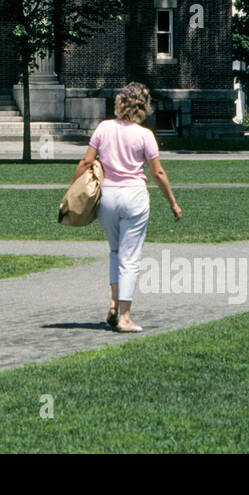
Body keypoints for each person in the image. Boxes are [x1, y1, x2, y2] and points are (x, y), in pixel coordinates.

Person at [70, 82, 182, 332]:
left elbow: (86, 161)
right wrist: (172, 202)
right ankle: (125, 317)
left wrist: (71, 192)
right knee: (130, 259)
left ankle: (113, 303)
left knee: (115, 252)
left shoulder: (104, 128)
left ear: (120, 103)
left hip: (107, 197)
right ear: (144, 107)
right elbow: (158, 173)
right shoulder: (145, 136)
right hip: (134, 197)